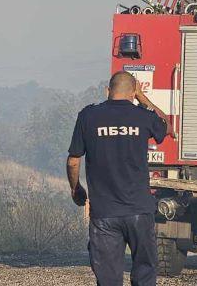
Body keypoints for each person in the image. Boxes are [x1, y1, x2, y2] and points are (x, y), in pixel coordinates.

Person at [66, 70, 173, 286]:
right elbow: (168, 126)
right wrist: (142, 98)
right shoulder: (144, 116)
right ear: (133, 93)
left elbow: (73, 161)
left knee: (108, 281)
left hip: (104, 214)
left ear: (107, 91)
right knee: (144, 276)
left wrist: (76, 189)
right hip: (139, 213)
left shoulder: (88, 116)